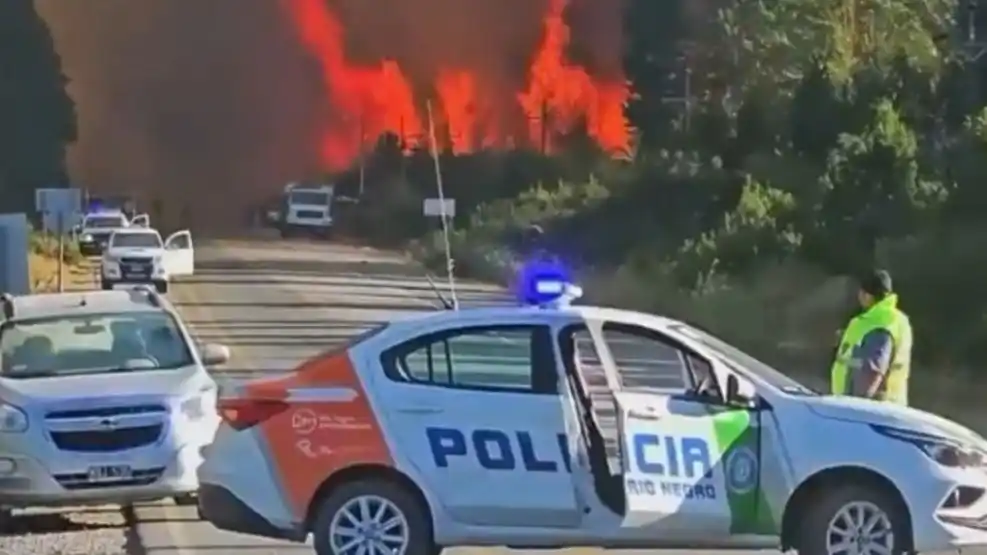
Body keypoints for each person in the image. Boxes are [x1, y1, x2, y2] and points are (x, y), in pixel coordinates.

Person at [830, 270, 913, 404]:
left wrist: (856, 407)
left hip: (868, 412)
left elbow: (872, 371)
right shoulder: (892, 319)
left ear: (867, 295)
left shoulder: (880, 323)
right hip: (879, 411)